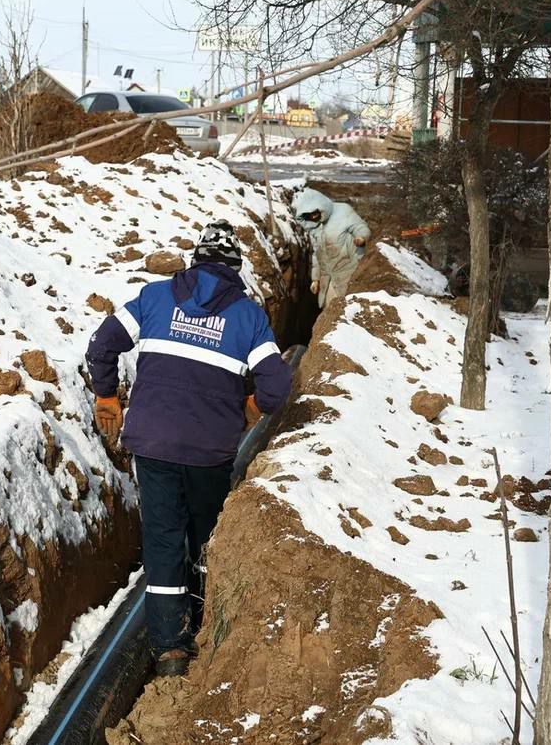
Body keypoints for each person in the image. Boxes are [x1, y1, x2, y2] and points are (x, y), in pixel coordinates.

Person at [85, 221, 293, 677]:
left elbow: (101, 344)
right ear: (235, 269)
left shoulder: (155, 297)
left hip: (154, 444)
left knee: (162, 541)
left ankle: (169, 650)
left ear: (194, 261)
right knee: (205, 539)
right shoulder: (247, 316)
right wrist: (250, 408)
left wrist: (106, 396)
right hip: (210, 451)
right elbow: (278, 386)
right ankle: (206, 626)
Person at [291, 187, 371, 308]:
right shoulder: (315, 227)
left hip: (348, 272)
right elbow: (317, 253)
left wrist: (361, 238)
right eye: (309, 215)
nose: (313, 217)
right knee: (330, 312)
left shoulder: (343, 211)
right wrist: (315, 279)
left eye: (315, 213)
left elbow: (360, 227)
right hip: (327, 278)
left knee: (346, 310)